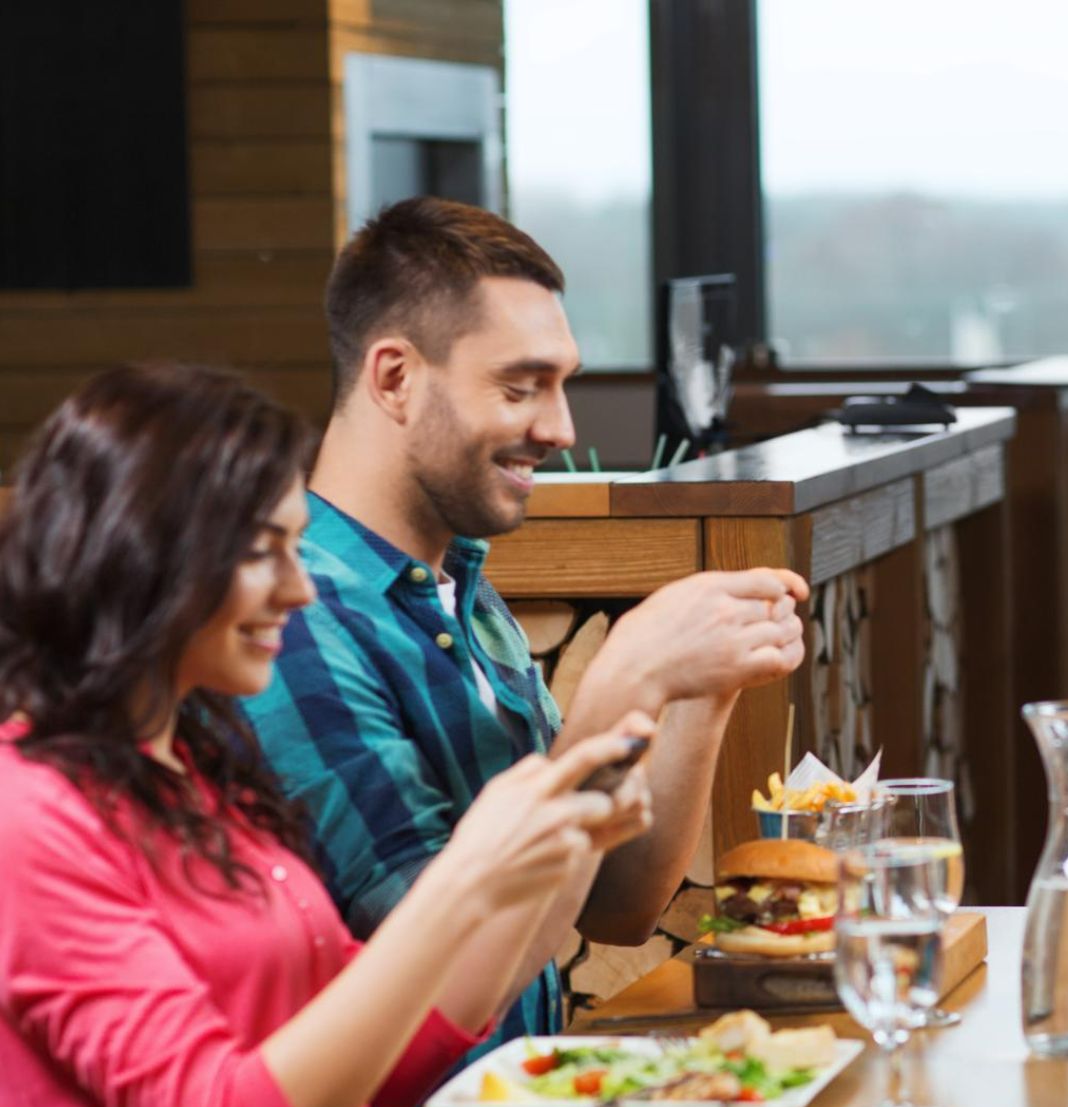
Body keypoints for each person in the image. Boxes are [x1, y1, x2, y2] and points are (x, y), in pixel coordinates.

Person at [0, 363, 654, 1107]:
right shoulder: (29, 816)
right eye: (263, 552)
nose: (300, 588)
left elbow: (400, 1057)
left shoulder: (201, 769)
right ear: (145, 552)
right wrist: (466, 875)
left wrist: (567, 849)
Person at [241, 197, 808, 1047]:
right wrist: (624, 683)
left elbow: (613, 904)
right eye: (520, 386)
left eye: (562, 383)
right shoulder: (297, 621)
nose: (559, 427)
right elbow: (445, 978)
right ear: (394, 377)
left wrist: (702, 687)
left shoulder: (457, 582)